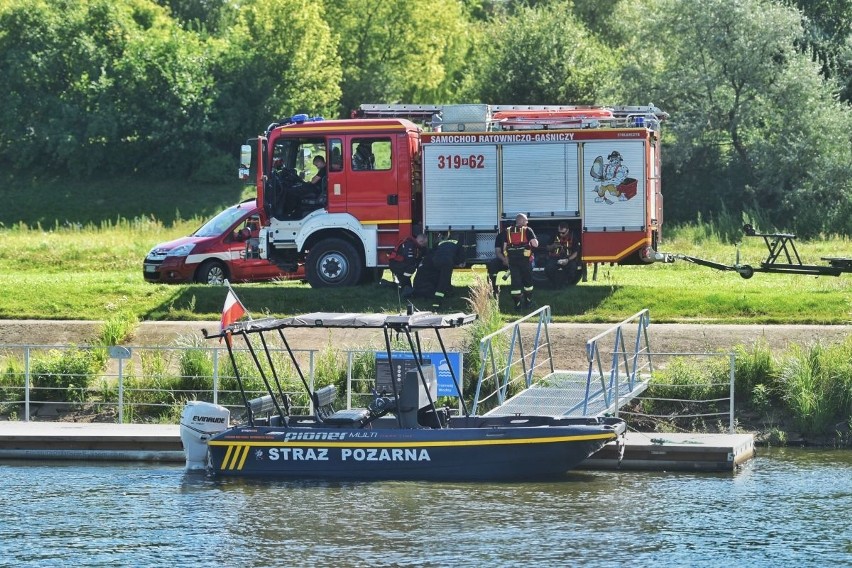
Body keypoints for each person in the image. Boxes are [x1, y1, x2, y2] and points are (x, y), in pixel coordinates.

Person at [413, 233, 465, 310]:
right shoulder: (458, 244)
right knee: (443, 280)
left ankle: (448, 291)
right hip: (447, 262)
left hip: (435, 260)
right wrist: (459, 263)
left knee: (439, 277)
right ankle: (437, 302)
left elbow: (431, 252)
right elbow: (461, 258)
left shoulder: (440, 243)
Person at [503, 213, 538, 312]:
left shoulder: (508, 231)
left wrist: (507, 258)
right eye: (526, 220)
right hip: (525, 261)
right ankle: (528, 303)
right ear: (522, 221)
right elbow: (535, 244)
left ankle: (517, 306)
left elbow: (504, 247)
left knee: (515, 284)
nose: (527, 222)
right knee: (528, 284)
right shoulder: (527, 230)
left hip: (513, 261)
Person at [388, 232, 428, 298]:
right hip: (396, 265)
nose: (423, 246)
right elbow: (409, 260)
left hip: (399, 264)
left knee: (408, 282)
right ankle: (402, 285)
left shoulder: (412, 244)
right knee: (411, 268)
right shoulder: (409, 245)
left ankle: (404, 286)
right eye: (423, 244)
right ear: (420, 241)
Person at [545, 222, 581, 288]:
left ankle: (566, 284)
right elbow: (547, 247)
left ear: (568, 230)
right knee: (548, 268)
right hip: (555, 258)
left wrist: (567, 260)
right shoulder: (555, 235)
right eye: (559, 232)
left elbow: (576, 252)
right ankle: (554, 284)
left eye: (563, 233)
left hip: (568, 258)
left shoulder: (573, 237)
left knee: (572, 268)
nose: (561, 234)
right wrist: (553, 246)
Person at [486, 227, 508, 299]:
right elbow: (497, 251)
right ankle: (493, 289)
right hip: (503, 259)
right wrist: (504, 259)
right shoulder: (500, 236)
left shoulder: (518, 235)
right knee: (493, 264)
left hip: (515, 259)